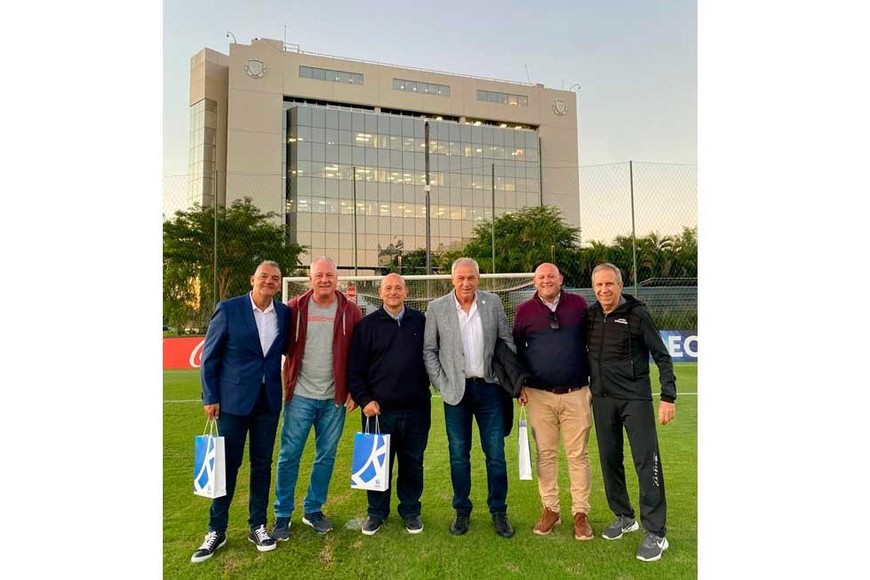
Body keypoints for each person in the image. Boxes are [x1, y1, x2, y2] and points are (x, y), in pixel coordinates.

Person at [191, 261, 291, 563]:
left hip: (268, 401)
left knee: (262, 465)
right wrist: (210, 396)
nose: (269, 282)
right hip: (232, 402)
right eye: (264, 277)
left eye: (275, 278)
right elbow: (210, 356)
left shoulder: (284, 314)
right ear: (252, 279)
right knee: (226, 466)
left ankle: (257, 525)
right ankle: (216, 529)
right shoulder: (229, 309)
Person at [586, 263, 677, 562]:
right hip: (601, 400)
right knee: (610, 460)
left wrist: (668, 397)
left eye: (609, 284)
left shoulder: (637, 315)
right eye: (598, 285)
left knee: (645, 462)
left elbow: (661, 356)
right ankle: (624, 516)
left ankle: (656, 532)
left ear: (620, 285)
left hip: (635, 400)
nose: (603, 290)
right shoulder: (591, 315)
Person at [423, 257, 516, 538]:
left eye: (471, 278)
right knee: (459, 456)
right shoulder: (436, 308)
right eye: (461, 278)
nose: (466, 283)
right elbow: (429, 350)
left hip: (489, 390)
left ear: (478, 279)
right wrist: (442, 384)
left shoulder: (493, 303)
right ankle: (462, 510)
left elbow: (507, 342)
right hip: (455, 393)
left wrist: (502, 378)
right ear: (452, 280)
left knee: (496, 455)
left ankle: (498, 510)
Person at [271, 256, 363, 539]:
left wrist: (353, 391)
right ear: (310, 279)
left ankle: (313, 509)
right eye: (319, 275)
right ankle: (282, 514)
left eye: (329, 275)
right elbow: (279, 347)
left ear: (337, 279)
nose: (325, 280)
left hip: (334, 398)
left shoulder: (351, 311)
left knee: (326, 456)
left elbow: (359, 356)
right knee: (289, 456)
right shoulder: (293, 309)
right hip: (299, 395)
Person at [514, 262, 594, 541]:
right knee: (545, 455)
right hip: (539, 395)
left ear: (561, 277)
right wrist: (519, 384)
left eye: (551, 275)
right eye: (541, 277)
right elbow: (517, 351)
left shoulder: (579, 305)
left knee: (578, 455)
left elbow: (593, 343)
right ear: (533, 282)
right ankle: (551, 508)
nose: (546, 280)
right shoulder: (524, 311)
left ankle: (580, 513)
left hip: (576, 393)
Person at [347, 273, 431, 536]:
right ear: (380, 293)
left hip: (416, 409)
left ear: (406, 291)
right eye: (388, 288)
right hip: (378, 411)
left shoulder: (421, 321)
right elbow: (355, 370)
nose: (393, 292)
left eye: (398, 288)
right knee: (376, 466)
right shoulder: (367, 326)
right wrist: (364, 400)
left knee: (412, 464)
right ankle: (376, 513)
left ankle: (410, 511)